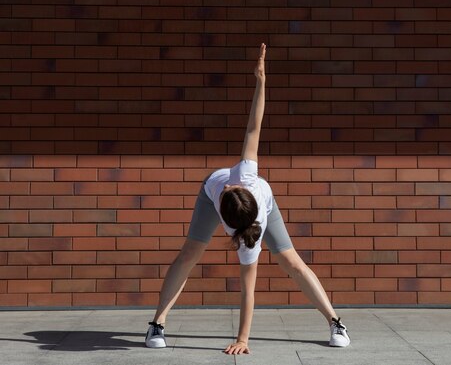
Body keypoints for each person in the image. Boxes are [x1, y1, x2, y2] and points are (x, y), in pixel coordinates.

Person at [145, 44, 350, 354]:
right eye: (229, 188)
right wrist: (261, 82)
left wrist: (242, 340)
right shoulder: (236, 181)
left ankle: (335, 321)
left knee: (292, 262)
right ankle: (157, 323)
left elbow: (247, 291)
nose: (228, 184)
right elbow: (254, 126)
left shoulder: (246, 226)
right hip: (211, 195)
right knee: (189, 254)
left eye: (229, 189)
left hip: (254, 203)